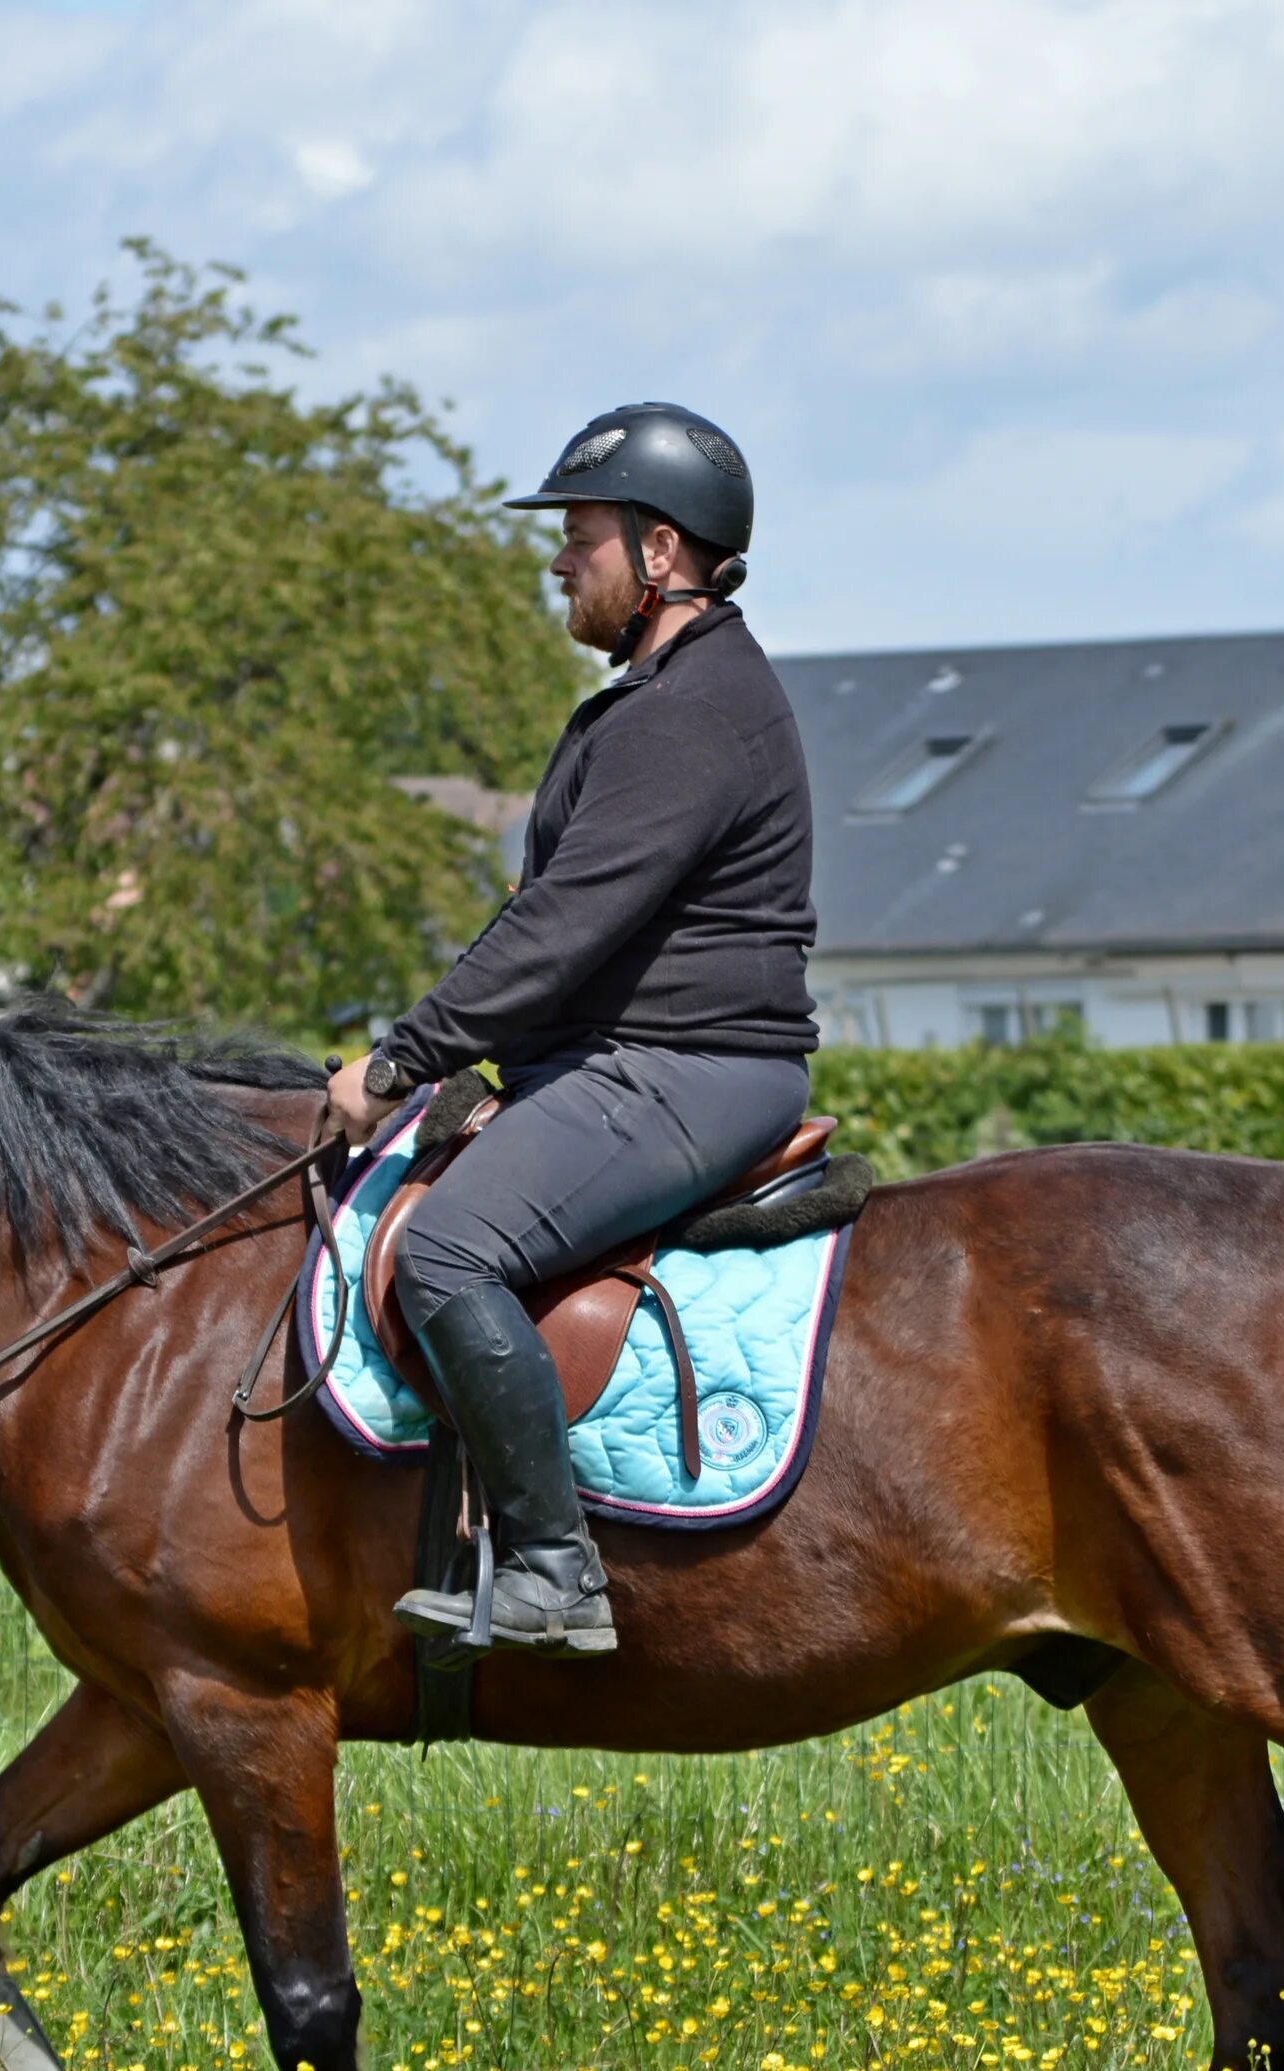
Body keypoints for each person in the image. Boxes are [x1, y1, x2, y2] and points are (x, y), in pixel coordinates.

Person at [324, 403, 818, 1658]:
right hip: (635, 1059)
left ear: (659, 554)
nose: (559, 560)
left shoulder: (687, 711)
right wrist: (504, 1070)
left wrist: (399, 1061)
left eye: (581, 535)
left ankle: (554, 1570)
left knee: (444, 1252)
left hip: (691, 1072)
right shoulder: (662, 694)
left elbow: (565, 927)